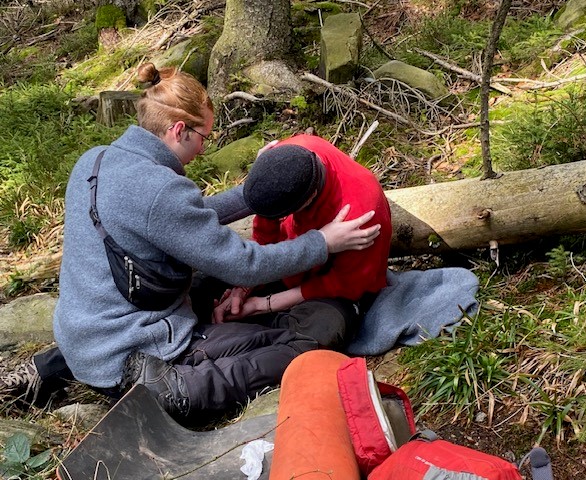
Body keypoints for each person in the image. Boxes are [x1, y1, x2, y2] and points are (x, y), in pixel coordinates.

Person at [0, 63, 381, 417]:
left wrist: (259, 189)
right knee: (295, 345)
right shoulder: (159, 190)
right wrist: (322, 242)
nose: (203, 148)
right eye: (204, 137)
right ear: (178, 129)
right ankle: (171, 382)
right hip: (133, 357)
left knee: (207, 291)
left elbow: (179, 220)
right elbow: (244, 263)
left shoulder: (95, 160)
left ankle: (47, 369)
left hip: (84, 334)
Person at [213, 134, 392, 351]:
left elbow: (343, 285)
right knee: (212, 276)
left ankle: (249, 337)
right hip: (288, 259)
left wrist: (261, 305)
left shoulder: (359, 215)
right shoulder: (283, 156)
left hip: (331, 287)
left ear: (309, 198)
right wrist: (243, 286)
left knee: (322, 331)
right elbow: (265, 230)